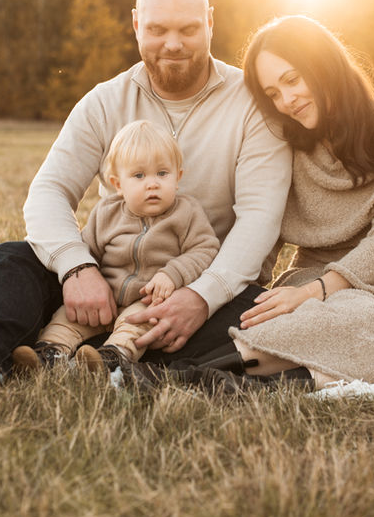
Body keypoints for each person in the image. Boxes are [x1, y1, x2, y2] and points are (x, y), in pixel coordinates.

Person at [0, 0, 292, 391]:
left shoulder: (252, 103)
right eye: (158, 28)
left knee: (257, 315)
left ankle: (114, 366)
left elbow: (260, 218)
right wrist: (77, 269)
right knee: (15, 259)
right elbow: (49, 191)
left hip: (206, 289)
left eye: (189, 29)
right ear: (135, 24)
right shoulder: (105, 101)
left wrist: (200, 297)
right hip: (107, 285)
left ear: (211, 22)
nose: (173, 44)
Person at [149, 14, 374, 392]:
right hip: (301, 287)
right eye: (273, 94)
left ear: (324, 65)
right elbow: (265, 227)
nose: (287, 101)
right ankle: (221, 373)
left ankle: (197, 376)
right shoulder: (287, 142)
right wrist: (238, 294)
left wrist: (317, 292)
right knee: (246, 315)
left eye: (292, 80)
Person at [12, 120, 219, 373]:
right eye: (139, 176)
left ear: (178, 177)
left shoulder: (187, 212)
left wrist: (172, 273)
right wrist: (84, 274)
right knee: (67, 318)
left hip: (148, 299)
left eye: (162, 173)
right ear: (118, 184)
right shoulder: (107, 213)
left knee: (138, 325)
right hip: (104, 298)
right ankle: (48, 353)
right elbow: (87, 249)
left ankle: (111, 358)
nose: (152, 184)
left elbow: (205, 249)